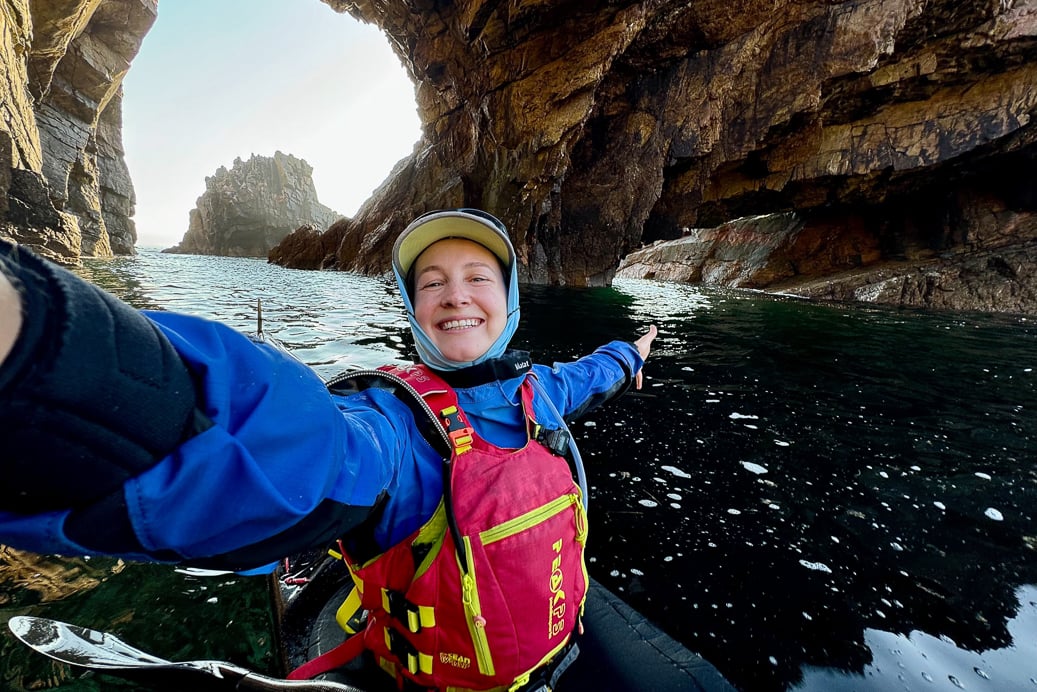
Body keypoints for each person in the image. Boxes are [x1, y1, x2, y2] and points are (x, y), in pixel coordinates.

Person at [0, 209, 657, 690]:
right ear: (410, 306)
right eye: (431, 282)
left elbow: (588, 377)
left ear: (508, 298)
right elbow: (301, 445)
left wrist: (630, 354)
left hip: (553, 659)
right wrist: (41, 344)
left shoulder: (538, 391)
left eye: (478, 277)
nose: (455, 294)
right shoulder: (390, 430)